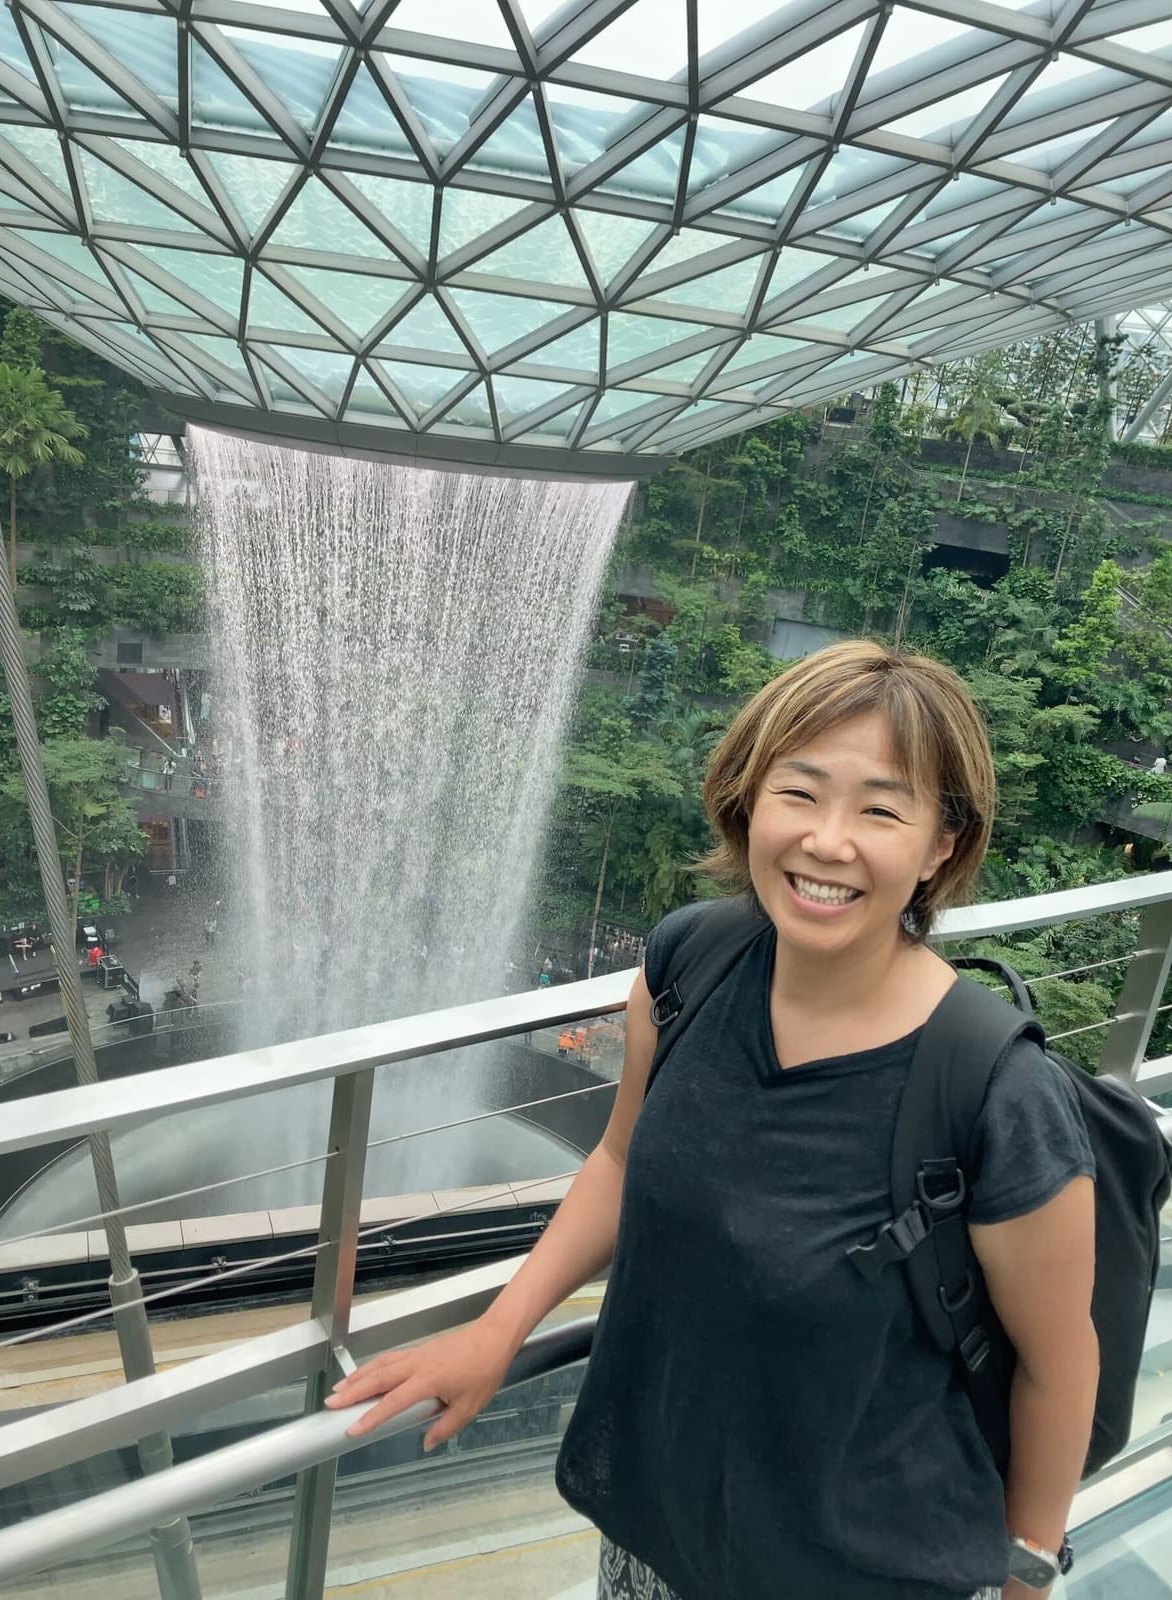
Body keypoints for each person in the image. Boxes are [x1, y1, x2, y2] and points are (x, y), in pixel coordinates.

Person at [326, 641, 1098, 1600]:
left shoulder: (995, 1091)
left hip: (872, 1570)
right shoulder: (694, 961)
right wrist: (498, 1329)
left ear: (942, 845)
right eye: (800, 792)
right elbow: (617, 1159)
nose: (827, 840)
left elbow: (1059, 1367)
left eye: (882, 810)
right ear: (748, 799)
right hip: (658, 1537)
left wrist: (1026, 1577)